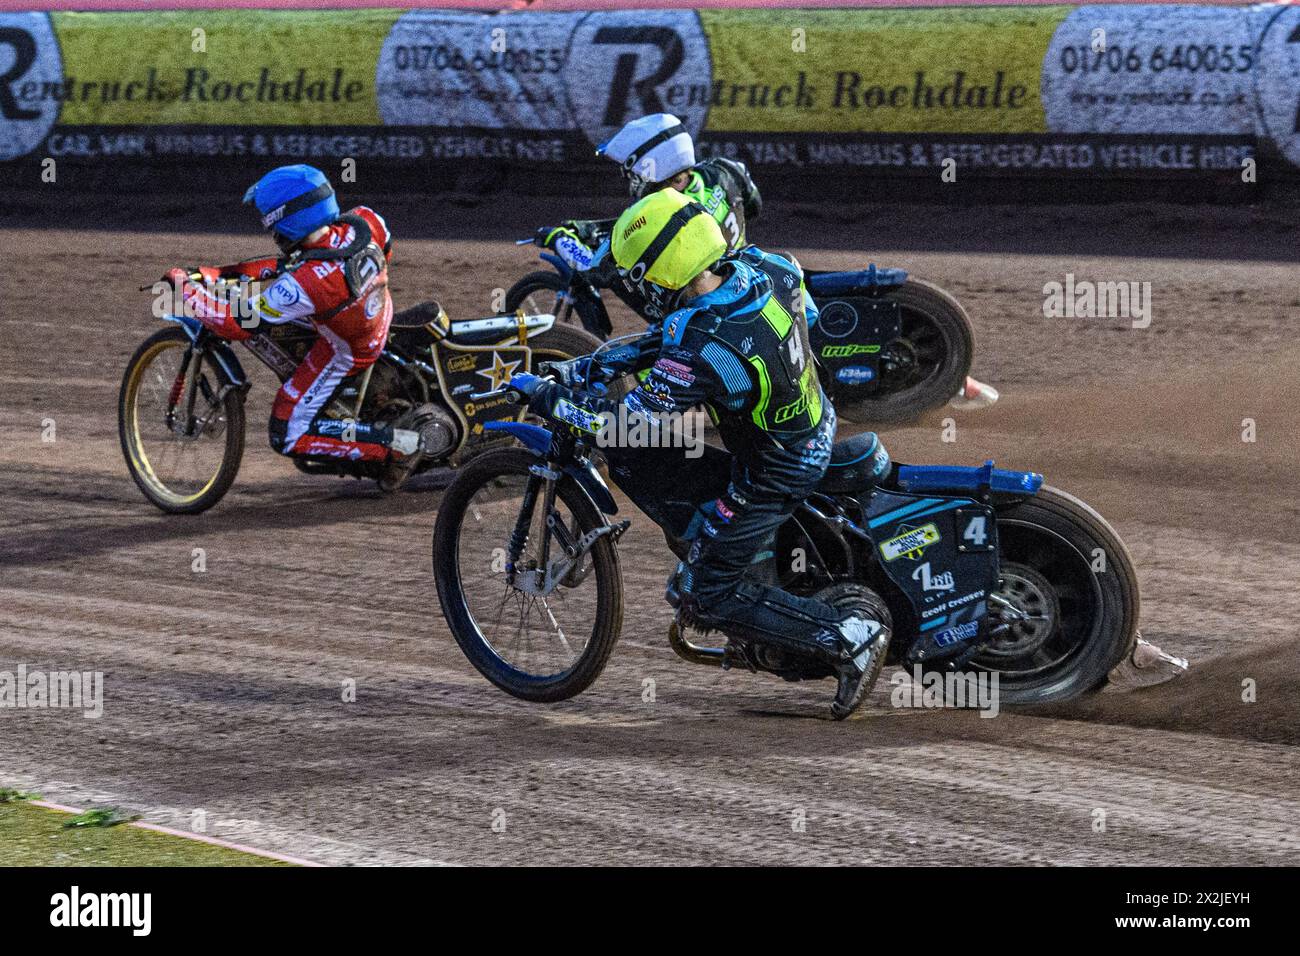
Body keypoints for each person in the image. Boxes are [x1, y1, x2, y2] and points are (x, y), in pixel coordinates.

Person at [511, 188, 894, 720]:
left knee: (706, 595)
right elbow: (677, 336)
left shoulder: (702, 349)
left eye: (641, 273)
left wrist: (553, 398)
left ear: (663, 269)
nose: (638, 284)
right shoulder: (770, 267)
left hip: (776, 469)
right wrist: (589, 367)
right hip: (815, 419)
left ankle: (849, 637)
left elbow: (624, 428)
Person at [164, 164, 439, 490]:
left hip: (346, 351)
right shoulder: (366, 220)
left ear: (283, 222)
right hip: (376, 316)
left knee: (286, 434)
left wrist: (186, 288)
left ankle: (399, 445)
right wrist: (219, 273)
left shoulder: (303, 287)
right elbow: (379, 249)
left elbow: (234, 323)